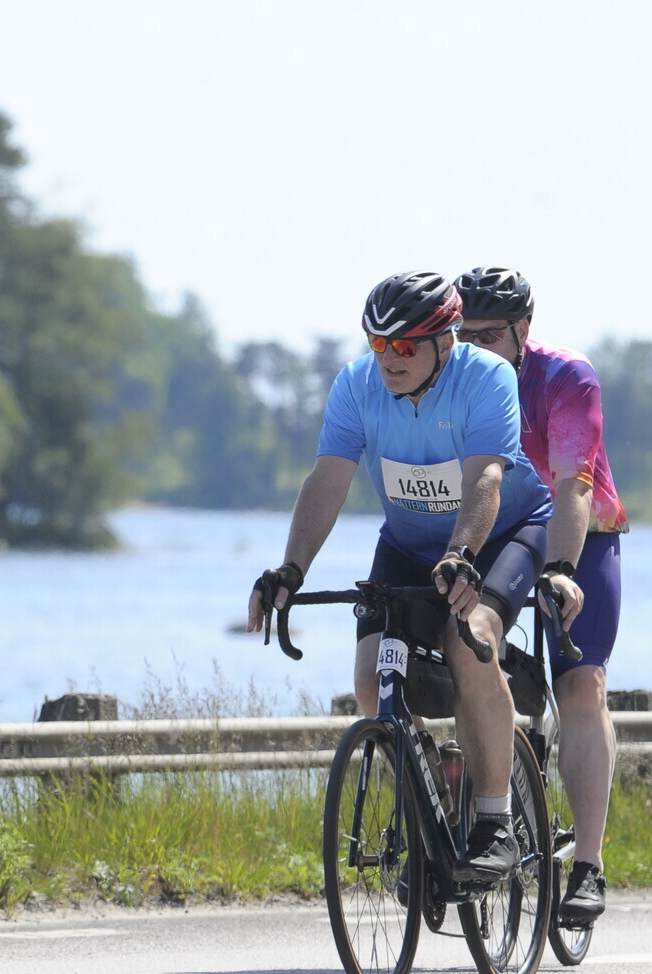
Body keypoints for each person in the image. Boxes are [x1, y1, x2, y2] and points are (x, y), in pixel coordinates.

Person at [247, 271, 554, 885]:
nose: (389, 358)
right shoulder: (357, 384)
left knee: (470, 643)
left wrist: (461, 554)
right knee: (370, 678)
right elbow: (327, 482)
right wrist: (291, 569)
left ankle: (495, 823)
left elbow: (485, 479)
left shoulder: (487, 377)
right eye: (378, 343)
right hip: (409, 548)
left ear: (445, 341)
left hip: (499, 537)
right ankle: (433, 804)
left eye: (405, 345)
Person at [456, 267, 622, 922]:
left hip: (582, 535)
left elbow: (573, 484)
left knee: (580, 685)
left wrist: (560, 569)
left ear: (523, 330)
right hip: (503, 533)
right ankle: (470, 825)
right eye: (463, 335)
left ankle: (589, 866)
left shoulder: (565, 376)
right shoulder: (455, 380)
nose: (474, 347)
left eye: (489, 335)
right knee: (464, 659)